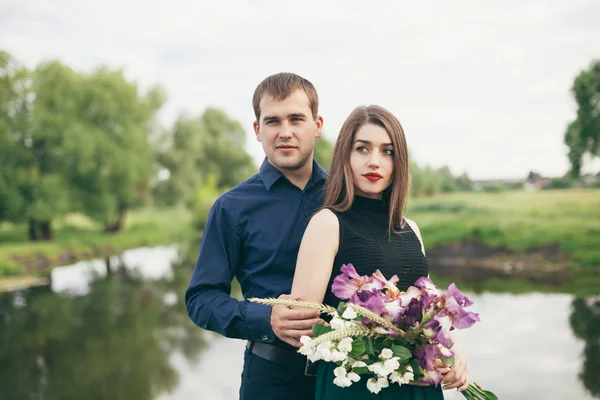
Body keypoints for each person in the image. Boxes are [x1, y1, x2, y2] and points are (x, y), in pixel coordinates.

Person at [290, 105, 469, 399]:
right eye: (363, 149)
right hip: (358, 387)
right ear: (345, 155)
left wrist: (456, 353)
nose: (375, 161)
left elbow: (429, 311)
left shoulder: (410, 228)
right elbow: (305, 333)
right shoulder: (327, 223)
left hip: (420, 388)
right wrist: (389, 358)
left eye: (387, 152)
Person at [185, 72, 328, 400]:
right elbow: (201, 300)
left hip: (348, 379)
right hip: (272, 380)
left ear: (317, 125)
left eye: (296, 119)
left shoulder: (348, 197)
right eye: (273, 121)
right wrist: (266, 319)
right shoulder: (231, 208)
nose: (285, 132)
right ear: (257, 130)